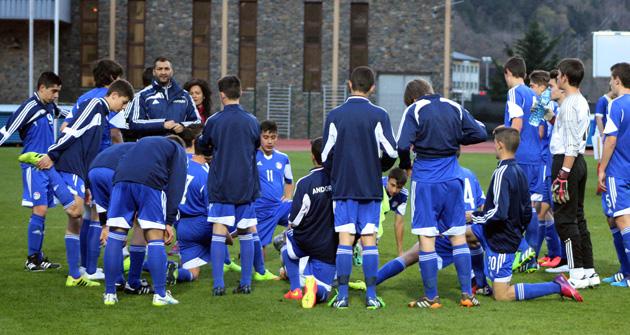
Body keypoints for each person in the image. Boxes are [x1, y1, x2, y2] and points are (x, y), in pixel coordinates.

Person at [19, 79, 134, 287]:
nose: (123, 108)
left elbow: (91, 149)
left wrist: (89, 182)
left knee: (76, 220)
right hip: (70, 163)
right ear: (114, 95)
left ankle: (74, 276)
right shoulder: (95, 105)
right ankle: (41, 162)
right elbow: (71, 130)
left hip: (81, 169)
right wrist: (52, 155)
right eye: (124, 102)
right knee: (75, 211)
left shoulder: (103, 114)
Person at [397, 78, 487, 309]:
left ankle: (431, 298)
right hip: (453, 177)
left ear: (413, 98)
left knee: (427, 237)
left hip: (426, 178)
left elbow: (402, 144)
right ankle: (467, 294)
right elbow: (480, 133)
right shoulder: (454, 106)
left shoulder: (414, 109)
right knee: (457, 235)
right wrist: (457, 138)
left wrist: (407, 166)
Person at [466, 127, 582, 303]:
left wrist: (473, 217)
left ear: (499, 145)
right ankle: (480, 283)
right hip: (499, 231)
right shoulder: (519, 171)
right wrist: (518, 233)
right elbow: (528, 210)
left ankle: (557, 285)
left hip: (500, 239)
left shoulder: (501, 173)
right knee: (461, 236)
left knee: (502, 295)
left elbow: (499, 212)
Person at [322, 66, 398, 310]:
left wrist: (339, 171)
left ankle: (342, 296)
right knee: (369, 241)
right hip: (370, 188)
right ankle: (372, 297)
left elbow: (325, 155)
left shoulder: (335, 115)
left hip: (344, 188)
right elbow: (392, 153)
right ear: (372, 88)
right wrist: (377, 168)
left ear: (348, 84)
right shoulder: (379, 115)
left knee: (345, 241)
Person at [103, 135, 187, 306]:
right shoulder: (177, 149)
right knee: (155, 238)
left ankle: (110, 294)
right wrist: (169, 221)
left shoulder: (144, 143)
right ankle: (160, 294)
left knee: (116, 236)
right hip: (149, 182)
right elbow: (177, 185)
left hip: (120, 180)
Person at [197, 75, 261, 296]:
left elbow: (203, 145)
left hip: (222, 183)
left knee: (218, 231)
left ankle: (218, 285)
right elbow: (256, 145)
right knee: (246, 231)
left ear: (221, 94)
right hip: (246, 183)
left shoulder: (214, 121)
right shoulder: (252, 120)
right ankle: (245, 283)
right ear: (240, 92)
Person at [62, 59, 125, 280]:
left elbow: (65, 127)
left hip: (81, 161)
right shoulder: (110, 100)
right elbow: (116, 133)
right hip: (102, 160)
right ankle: (90, 268)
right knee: (98, 213)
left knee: (86, 212)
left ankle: (81, 266)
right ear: (112, 78)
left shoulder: (83, 98)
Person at [0, 72, 67, 271]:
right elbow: (6, 130)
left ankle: (37, 256)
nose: (56, 95)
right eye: (53, 91)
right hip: (33, 166)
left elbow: (64, 114)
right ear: (41, 88)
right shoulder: (29, 107)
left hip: (48, 164)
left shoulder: (50, 106)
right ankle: (32, 259)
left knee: (43, 210)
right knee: (40, 209)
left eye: (58, 91)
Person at [550, 58, 597, 289]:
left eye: (558, 74)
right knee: (578, 217)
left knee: (564, 220)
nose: (557, 78)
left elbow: (570, 144)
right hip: (579, 162)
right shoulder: (580, 101)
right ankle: (588, 270)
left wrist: (562, 174)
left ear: (565, 77)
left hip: (567, 162)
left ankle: (576, 272)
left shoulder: (569, 103)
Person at [88, 142, 154, 294]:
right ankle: (134, 282)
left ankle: (116, 281)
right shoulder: (153, 151)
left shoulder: (131, 146)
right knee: (139, 221)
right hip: (117, 174)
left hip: (93, 171)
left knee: (113, 230)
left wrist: (105, 225)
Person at [281, 137, 338, 308]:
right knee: (324, 291)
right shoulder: (339, 180)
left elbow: (295, 219)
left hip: (305, 240)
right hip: (329, 245)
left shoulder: (305, 183)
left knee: (286, 245)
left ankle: (295, 289)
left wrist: (291, 226)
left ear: (313, 157)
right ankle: (313, 289)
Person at [503, 57, 544, 272]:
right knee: (531, 209)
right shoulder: (533, 94)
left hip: (519, 157)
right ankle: (531, 260)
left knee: (509, 208)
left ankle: (523, 249)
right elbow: (540, 128)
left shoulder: (515, 92)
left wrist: (507, 149)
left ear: (508, 72)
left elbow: (517, 123)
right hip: (536, 157)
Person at [598, 62, 630, 288]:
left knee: (622, 220)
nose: (610, 82)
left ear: (617, 79)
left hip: (618, 170)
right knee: (612, 218)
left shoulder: (617, 105)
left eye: (611, 78)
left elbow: (610, 140)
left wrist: (601, 168)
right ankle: (625, 271)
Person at [527, 70, 563, 269]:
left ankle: (532, 257)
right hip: (546, 159)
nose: (532, 90)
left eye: (532, 86)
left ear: (541, 86)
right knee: (545, 211)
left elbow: (539, 132)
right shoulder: (553, 103)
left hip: (544, 160)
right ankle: (554, 254)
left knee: (542, 209)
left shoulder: (544, 103)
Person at [252, 120, 293, 281]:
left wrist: (288, 196)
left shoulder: (283, 158)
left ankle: (288, 252)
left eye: (273, 137)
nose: (269, 141)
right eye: (266, 137)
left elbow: (289, 181)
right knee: (260, 242)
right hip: (261, 207)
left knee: (299, 223)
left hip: (280, 205)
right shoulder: (253, 156)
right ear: (260, 137)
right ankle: (260, 272)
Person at [127, 57, 200, 137]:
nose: (163, 72)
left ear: (172, 71)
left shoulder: (185, 95)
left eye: (166, 69)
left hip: (177, 146)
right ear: (154, 72)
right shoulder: (142, 95)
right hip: (152, 146)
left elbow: (197, 121)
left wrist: (183, 126)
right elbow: (134, 122)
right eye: (160, 69)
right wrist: (162, 124)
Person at [174, 126, 211, 283]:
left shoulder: (182, 162)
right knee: (222, 232)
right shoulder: (207, 175)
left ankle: (167, 270)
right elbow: (213, 213)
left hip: (180, 223)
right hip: (200, 224)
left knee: (192, 273)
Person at [383, 168, 408, 256]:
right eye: (392, 185)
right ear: (387, 180)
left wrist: (400, 252)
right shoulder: (376, 186)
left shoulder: (403, 195)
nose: (394, 190)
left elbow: (399, 223)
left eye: (398, 187)